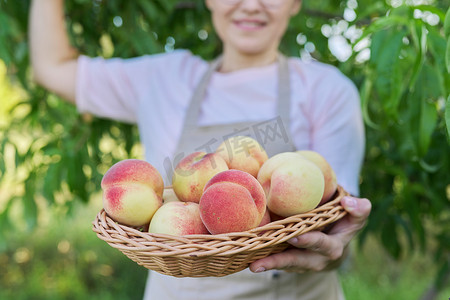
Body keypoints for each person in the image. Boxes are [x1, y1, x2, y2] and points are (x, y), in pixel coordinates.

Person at [29, 0, 372, 299]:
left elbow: (335, 221)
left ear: (296, 2)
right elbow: (51, 68)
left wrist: (334, 250)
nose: (251, 4)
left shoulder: (327, 90)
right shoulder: (165, 78)